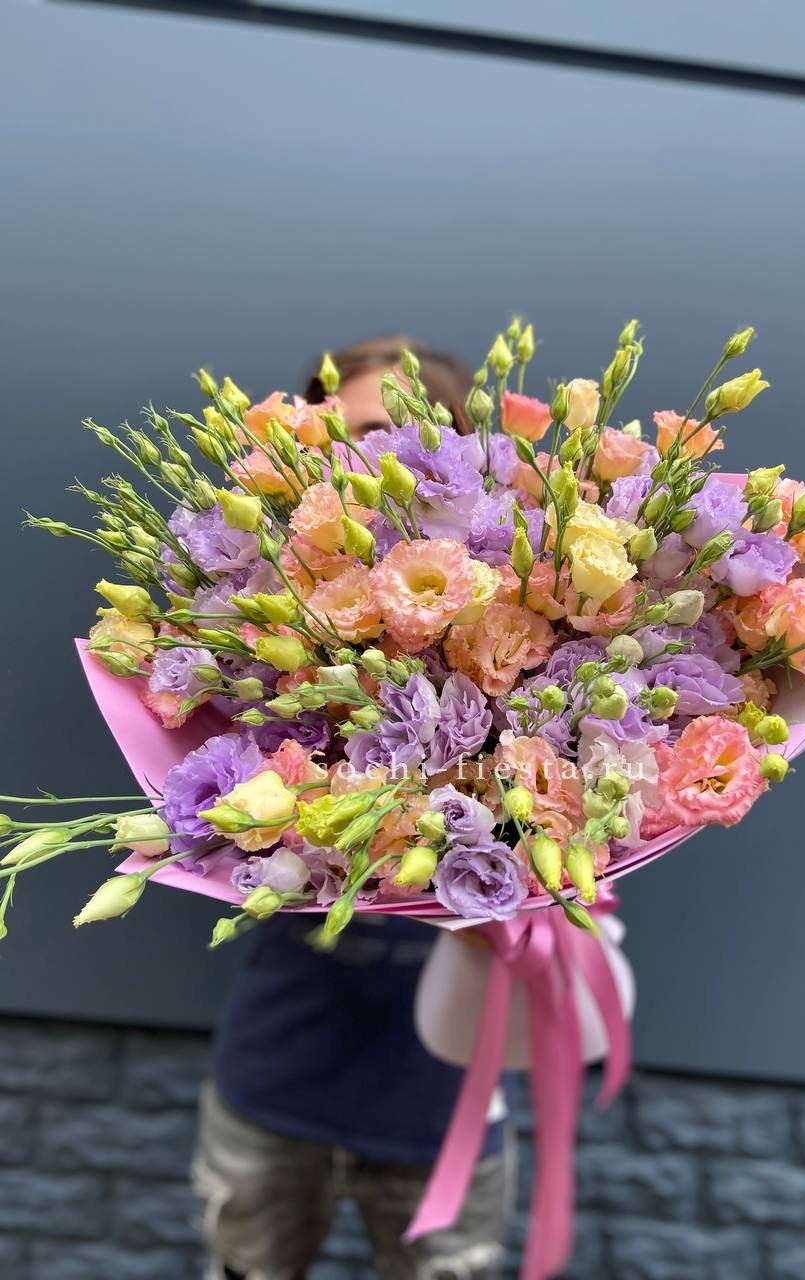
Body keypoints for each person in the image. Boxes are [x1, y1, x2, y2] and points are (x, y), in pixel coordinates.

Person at [192, 338, 515, 1280]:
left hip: (443, 1105)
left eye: (383, 431)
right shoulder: (264, 633)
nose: (355, 456)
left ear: (457, 452)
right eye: (331, 435)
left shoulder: (531, 633)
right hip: (276, 1080)